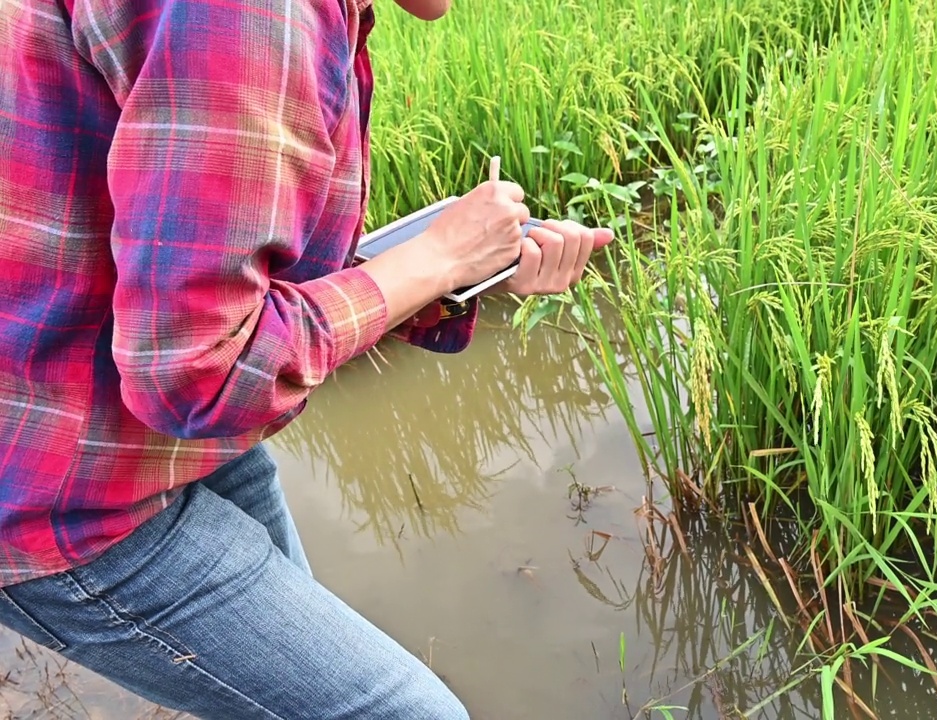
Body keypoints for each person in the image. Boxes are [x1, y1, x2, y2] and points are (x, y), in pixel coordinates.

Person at [0, 0, 610, 715]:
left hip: (144, 430)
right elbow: (199, 371)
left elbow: (211, 285)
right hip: (61, 484)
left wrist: (456, 266)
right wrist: (439, 258)